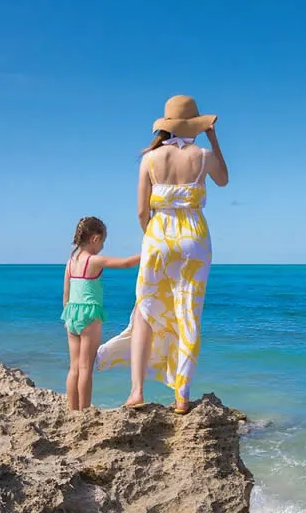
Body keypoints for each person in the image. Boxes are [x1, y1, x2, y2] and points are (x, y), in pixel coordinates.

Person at [95, 95, 229, 414]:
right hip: (194, 239)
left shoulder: (151, 159)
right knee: (188, 312)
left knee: (145, 309)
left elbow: (142, 211)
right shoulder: (204, 155)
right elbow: (223, 180)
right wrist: (213, 137)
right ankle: (182, 395)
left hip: (158, 237)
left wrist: (154, 238)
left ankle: (136, 391)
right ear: (195, 126)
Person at [61, 216, 138, 410]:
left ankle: (73, 410)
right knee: (86, 367)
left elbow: (66, 293)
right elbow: (126, 263)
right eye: (103, 241)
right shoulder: (94, 260)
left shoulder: (70, 262)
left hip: (70, 314)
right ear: (95, 238)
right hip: (89, 315)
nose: (103, 246)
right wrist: (149, 253)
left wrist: (67, 316)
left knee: (74, 367)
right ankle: (84, 410)